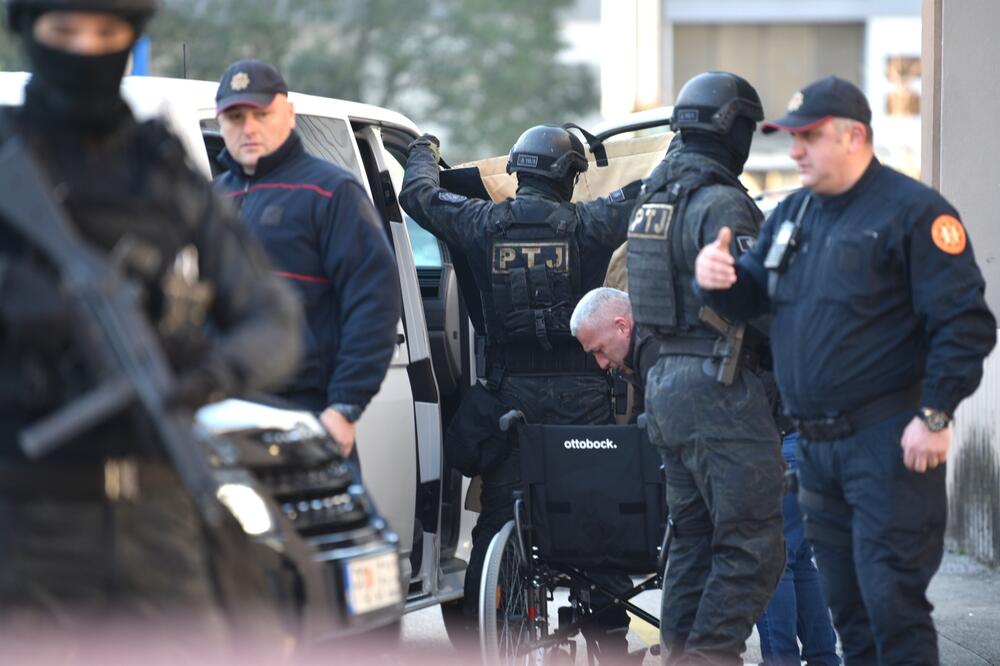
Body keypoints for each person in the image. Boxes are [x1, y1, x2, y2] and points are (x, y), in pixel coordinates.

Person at [0, 0, 301, 655]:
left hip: (158, 511)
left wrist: (215, 374)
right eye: (65, 31)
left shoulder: (162, 170)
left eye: (106, 33)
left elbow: (272, 317)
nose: (85, 48)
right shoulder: (6, 156)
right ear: (27, 33)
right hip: (26, 519)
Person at [695, 75, 997, 665]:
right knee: (850, 616)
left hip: (887, 443)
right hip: (813, 448)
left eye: (809, 136)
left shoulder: (914, 213)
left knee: (893, 610)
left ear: (855, 136)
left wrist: (935, 413)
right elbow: (754, 298)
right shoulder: (793, 215)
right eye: (791, 137)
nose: (796, 150)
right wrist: (722, 280)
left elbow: (966, 325)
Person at [400, 126, 641, 661]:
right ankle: (610, 646)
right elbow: (656, 188)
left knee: (499, 512)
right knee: (594, 515)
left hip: (509, 395)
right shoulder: (591, 223)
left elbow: (416, 195)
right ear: (571, 177)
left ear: (516, 171)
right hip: (583, 396)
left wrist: (424, 149)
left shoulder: (480, 221)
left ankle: (484, 633)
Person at [626, 71, 786, 665]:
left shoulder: (651, 201)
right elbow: (758, 301)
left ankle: (677, 655)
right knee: (753, 545)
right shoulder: (721, 203)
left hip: (664, 389)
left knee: (692, 540)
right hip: (718, 387)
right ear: (732, 129)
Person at [213, 59, 401, 460]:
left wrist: (345, 407)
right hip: (224, 414)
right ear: (219, 121)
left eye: (261, 114)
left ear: (288, 112)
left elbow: (374, 303)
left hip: (306, 415)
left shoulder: (332, 192)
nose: (248, 127)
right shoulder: (210, 201)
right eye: (235, 116)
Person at [570, 287, 658, 421]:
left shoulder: (653, 350)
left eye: (599, 350)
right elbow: (640, 420)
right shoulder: (639, 347)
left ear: (622, 327)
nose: (602, 364)